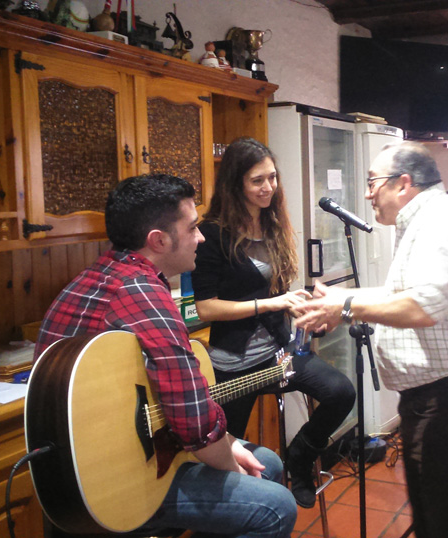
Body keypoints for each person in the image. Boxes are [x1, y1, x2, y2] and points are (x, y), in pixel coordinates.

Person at [34, 174, 296, 537]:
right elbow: (193, 419)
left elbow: (172, 396)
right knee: (275, 505)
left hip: (79, 474)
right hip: (117, 480)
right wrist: (233, 470)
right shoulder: (144, 295)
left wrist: (231, 444)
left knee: (265, 461)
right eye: (192, 229)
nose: (201, 238)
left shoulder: (96, 276)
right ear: (158, 240)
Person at [292, 141, 448, 538]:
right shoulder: (429, 219)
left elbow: (422, 308)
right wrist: (341, 300)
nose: (368, 192)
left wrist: (346, 308)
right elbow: (402, 295)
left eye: (374, 182)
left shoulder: (439, 222)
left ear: (404, 183)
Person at [191, 137, 356, 509]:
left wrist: (306, 311)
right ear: (236, 184)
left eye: (272, 177)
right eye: (257, 181)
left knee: (342, 392)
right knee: (225, 456)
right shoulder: (212, 234)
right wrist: (272, 302)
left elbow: (278, 293)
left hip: (279, 355)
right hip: (233, 365)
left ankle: (299, 456)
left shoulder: (273, 223)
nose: (269, 188)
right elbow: (206, 309)